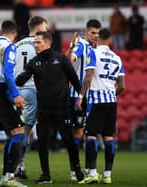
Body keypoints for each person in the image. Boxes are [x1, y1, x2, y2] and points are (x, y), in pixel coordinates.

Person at [16, 31, 85, 184]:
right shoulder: (33, 62)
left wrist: (81, 99)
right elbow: (21, 80)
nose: (36, 45)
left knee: (69, 141)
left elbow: (75, 80)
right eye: (35, 42)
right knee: (43, 143)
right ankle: (45, 175)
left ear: (48, 43)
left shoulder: (61, 59)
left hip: (62, 107)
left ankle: (77, 170)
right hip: (44, 109)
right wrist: (17, 78)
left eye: (38, 42)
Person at [76, 28, 125, 184]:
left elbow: (89, 77)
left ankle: (92, 173)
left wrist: (81, 96)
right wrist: (111, 92)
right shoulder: (117, 58)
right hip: (112, 102)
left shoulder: (94, 53)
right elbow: (122, 86)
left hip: (96, 100)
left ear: (98, 39)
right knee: (109, 136)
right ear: (110, 39)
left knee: (91, 135)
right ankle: (108, 175)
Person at [0, 20, 27, 187]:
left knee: (11, 135)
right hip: (1, 90)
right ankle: (9, 177)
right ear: (15, 33)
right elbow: (8, 74)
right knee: (19, 133)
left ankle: (6, 176)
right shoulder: (10, 47)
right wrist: (16, 95)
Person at [66, 19, 101, 181]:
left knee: (87, 133)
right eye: (93, 32)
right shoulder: (81, 44)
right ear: (86, 32)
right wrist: (72, 48)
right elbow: (71, 59)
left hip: (88, 96)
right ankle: (75, 169)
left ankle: (87, 169)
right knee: (79, 133)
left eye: (98, 33)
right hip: (77, 96)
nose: (96, 36)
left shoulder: (93, 49)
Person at [14, 15, 48, 179]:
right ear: (40, 27)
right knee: (26, 131)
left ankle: (16, 165)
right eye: (45, 28)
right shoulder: (40, 44)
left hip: (17, 90)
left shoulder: (17, 44)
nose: (46, 31)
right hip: (33, 89)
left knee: (19, 130)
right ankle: (18, 166)